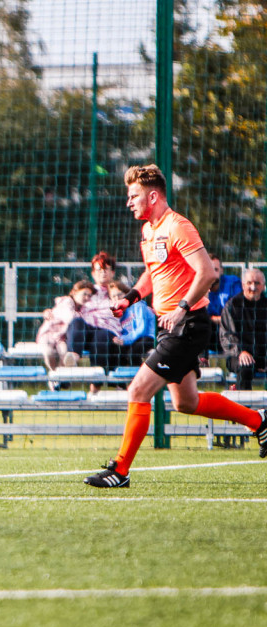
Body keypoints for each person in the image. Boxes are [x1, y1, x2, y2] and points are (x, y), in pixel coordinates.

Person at [85, 163, 267, 488]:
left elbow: (207, 274)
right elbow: (153, 275)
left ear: (152, 196)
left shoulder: (178, 227)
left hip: (188, 325)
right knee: (187, 403)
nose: (129, 202)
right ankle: (259, 421)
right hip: (168, 325)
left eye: (134, 195)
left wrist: (182, 308)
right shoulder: (148, 231)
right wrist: (130, 299)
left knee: (138, 390)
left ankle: (120, 470)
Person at [63, 252, 124, 374]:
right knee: (77, 322)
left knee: (101, 337)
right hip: (85, 332)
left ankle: (96, 383)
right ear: (93, 273)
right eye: (99, 270)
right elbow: (68, 303)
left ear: (112, 272)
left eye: (106, 269)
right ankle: (73, 357)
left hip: (106, 331)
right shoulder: (86, 291)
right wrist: (50, 312)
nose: (103, 272)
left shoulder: (119, 292)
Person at [35, 281, 94, 383]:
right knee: (48, 352)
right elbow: (69, 318)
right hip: (49, 334)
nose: (87, 298)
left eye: (89, 296)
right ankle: (54, 375)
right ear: (74, 292)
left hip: (61, 338)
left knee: (64, 353)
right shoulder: (67, 302)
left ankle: (60, 378)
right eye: (84, 294)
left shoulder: (80, 308)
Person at [219, 268, 267, 390]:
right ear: (243, 285)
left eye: (257, 283)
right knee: (246, 366)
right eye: (249, 283)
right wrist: (240, 351)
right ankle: (243, 407)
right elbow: (226, 335)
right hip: (238, 355)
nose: (253, 287)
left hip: (262, 354)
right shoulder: (232, 305)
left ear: (263, 286)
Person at [107, 281, 157, 366]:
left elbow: (142, 329)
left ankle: (137, 375)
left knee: (132, 353)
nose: (117, 298)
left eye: (120, 294)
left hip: (147, 337)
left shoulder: (138, 306)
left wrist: (125, 339)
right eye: (114, 296)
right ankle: (118, 374)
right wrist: (120, 339)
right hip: (131, 339)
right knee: (117, 351)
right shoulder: (118, 312)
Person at [206, 254, 242, 355]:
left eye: (215, 270)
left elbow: (237, 313)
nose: (212, 274)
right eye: (208, 270)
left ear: (222, 270)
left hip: (232, 330)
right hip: (211, 333)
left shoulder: (232, 283)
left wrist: (214, 318)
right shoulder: (198, 288)